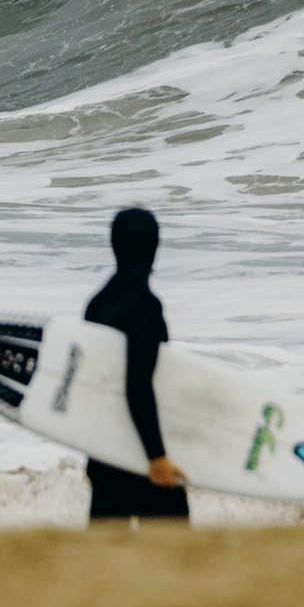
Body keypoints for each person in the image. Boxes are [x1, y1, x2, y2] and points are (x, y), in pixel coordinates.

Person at [83, 207, 190, 522]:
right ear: (155, 247)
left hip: (104, 451)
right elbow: (138, 383)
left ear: (113, 246)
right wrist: (157, 457)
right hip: (137, 452)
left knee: (106, 560)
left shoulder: (97, 302)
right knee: (176, 557)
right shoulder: (144, 305)